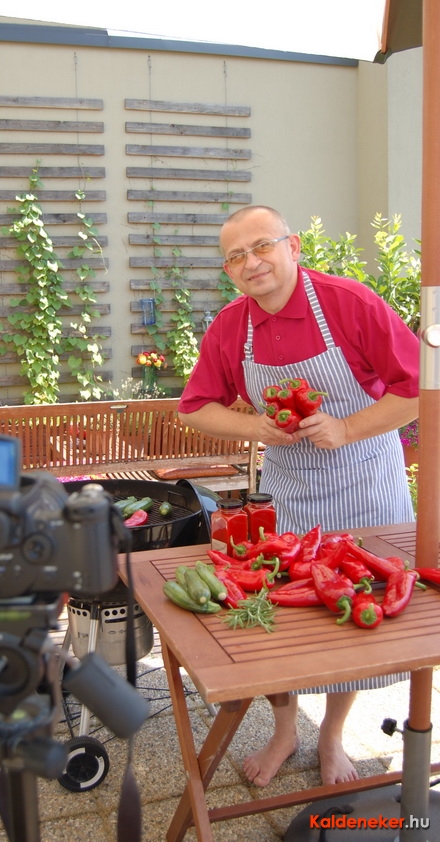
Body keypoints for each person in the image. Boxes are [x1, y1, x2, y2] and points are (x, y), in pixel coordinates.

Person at [178, 205, 419, 788]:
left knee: (350, 617)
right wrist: (256, 428)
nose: (250, 262)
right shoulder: (231, 327)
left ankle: (332, 734)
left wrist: (346, 428)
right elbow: (195, 408)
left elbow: (419, 390)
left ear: (293, 247)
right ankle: (285, 731)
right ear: (229, 272)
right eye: (235, 256)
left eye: (261, 246)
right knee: (276, 619)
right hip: (290, 490)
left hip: (366, 481)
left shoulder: (349, 303)